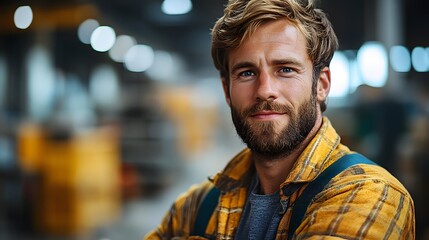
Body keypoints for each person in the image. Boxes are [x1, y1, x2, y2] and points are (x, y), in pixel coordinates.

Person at [145, 0, 415, 239]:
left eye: (285, 69)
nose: (264, 90)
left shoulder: (370, 194)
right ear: (227, 90)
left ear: (321, 85)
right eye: (247, 73)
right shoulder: (197, 207)